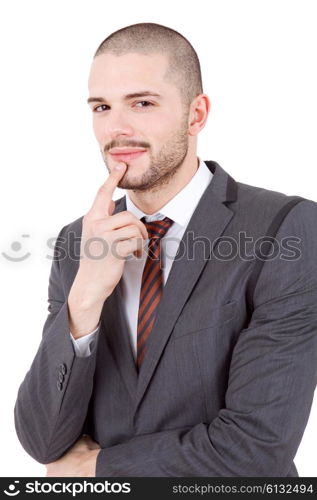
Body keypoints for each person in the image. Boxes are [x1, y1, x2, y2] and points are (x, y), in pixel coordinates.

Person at [14, 22, 317, 477]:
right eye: (102, 106)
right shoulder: (78, 240)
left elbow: (257, 447)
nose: (117, 128)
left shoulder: (287, 228)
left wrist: (97, 468)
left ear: (196, 115)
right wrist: (85, 299)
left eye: (142, 103)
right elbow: (43, 440)